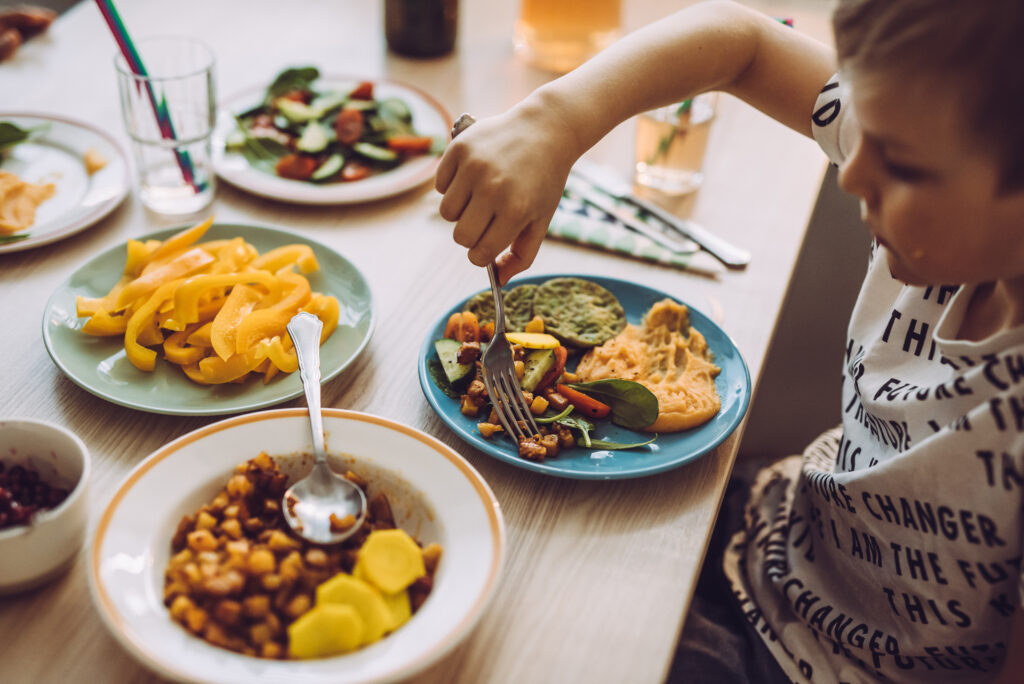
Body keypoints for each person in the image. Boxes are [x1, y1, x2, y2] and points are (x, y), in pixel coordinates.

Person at [434, 0, 1024, 681]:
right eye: (862, 127)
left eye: (902, 167)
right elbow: (743, 41)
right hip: (784, 535)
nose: (850, 173)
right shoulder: (932, 124)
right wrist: (556, 121)